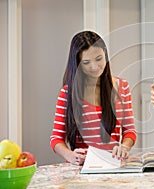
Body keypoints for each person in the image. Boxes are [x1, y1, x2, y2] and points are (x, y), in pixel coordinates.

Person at [50, 31, 136, 165]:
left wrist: (124, 147)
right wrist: (71, 156)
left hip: (111, 164)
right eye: (86, 62)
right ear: (77, 64)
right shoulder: (67, 93)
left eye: (99, 59)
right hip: (82, 167)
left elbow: (129, 131)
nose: (95, 67)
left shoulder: (122, 87)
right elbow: (56, 138)